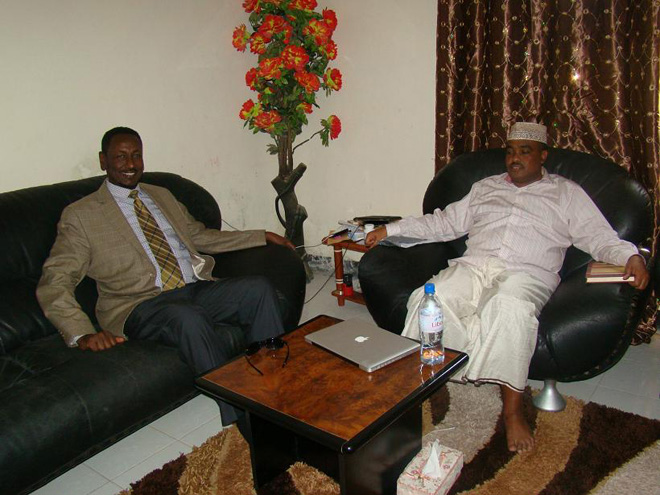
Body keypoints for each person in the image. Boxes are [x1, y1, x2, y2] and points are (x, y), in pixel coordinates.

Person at [365, 122, 649, 453]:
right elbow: (444, 222)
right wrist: (391, 230)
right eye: (510, 151)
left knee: (509, 308)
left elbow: (599, 236)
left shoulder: (567, 193)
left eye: (524, 151)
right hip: (474, 267)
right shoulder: (485, 187)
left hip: (527, 274)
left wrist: (630, 256)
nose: (514, 158)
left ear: (543, 156)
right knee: (431, 299)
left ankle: (513, 411)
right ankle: (424, 383)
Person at [37, 126, 294, 425]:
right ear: (103, 160)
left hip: (194, 288)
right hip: (140, 305)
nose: (131, 164)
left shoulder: (161, 195)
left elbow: (200, 236)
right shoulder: (81, 215)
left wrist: (260, 235)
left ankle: (276, 390)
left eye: (136, 155)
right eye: (120, 156)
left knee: (258, 289)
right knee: (187, 317)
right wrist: (82, 333)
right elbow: (55, 280)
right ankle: (244, 419)